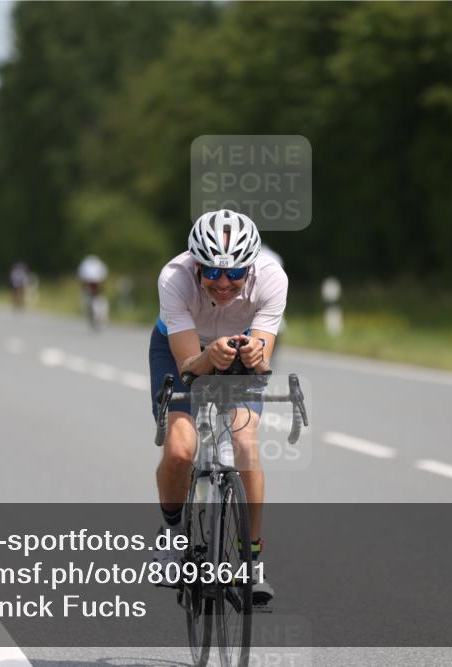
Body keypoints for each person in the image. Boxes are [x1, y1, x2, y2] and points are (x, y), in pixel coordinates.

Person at [149, 209, 287, 606]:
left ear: (251, 266)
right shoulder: (173, 277)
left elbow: (263, 353)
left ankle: (252, 561)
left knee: (245, 442)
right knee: (179, 449)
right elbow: (190, 365)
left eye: (234, 273)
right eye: (211, 273)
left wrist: (256, 358)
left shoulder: (273, 277)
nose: (223, 283)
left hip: (238, 345)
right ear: (195, 265)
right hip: (180, 349)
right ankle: (173, 538)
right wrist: (211, 356)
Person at [77, 254, 109, 330]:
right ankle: (97, 314)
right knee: (92, 299)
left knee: (96, 299)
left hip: (93, 283)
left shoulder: (87, 264)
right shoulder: (97, 265)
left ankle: (99, 314)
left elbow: (81, 277)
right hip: (94, 283)